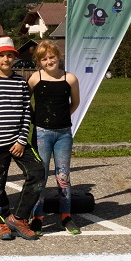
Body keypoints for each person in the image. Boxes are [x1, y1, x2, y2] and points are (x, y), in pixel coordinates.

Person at [0, 37, 44, 242]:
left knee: (38, 172)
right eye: (1, 55)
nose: (6, 59)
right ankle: (3, 222)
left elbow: (26, 113)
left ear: (15, 57)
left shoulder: (21, 82)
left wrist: (22, 140)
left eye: (9, 55)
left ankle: (19, 218)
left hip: (18, 142)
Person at [28, 40, 81, 236]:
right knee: (40, 176)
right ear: (39, 62)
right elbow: (26, 102)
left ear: (59, 57)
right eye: (44, 59)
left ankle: (66, 216)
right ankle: (37, 217)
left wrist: (62, 118)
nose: (49, 61)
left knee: (63, 176)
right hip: (41, 133)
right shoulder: (34, 79)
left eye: (52, 57)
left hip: (63, 134)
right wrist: (36, 119)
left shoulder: (70, 79)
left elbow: (75, 103)